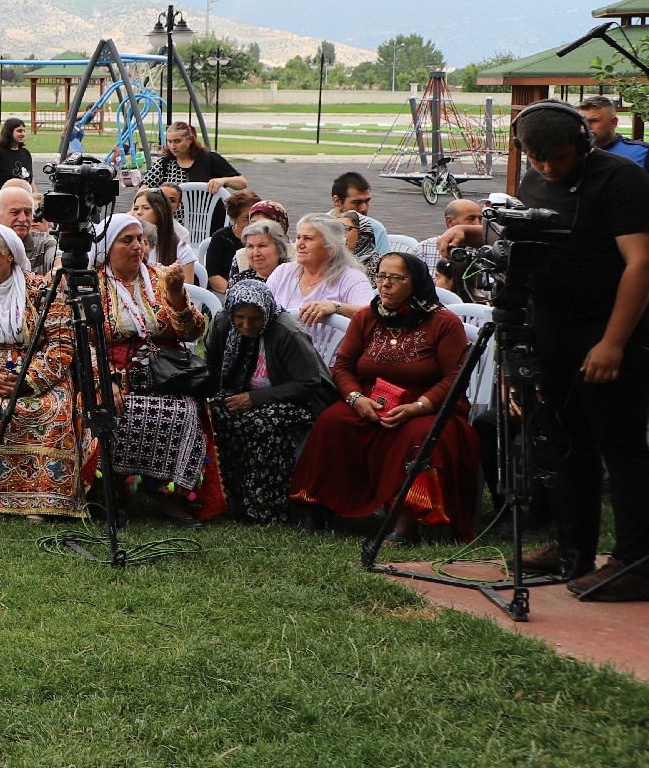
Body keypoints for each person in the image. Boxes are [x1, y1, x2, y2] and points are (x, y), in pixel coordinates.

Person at [510, 101, 649, 594]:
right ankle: (574, 549)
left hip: (607, 327)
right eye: (538, 159)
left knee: (622, 445)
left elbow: (640, 264)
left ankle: (636, 563)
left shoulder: (621, 179)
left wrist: (613, 342)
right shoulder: (532, 180)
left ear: (583, 145)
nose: (549, 168)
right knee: (567, 443)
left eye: (561, 158)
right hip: (550, 325)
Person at [290, 252, 478, 544]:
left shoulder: (443, 322)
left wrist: (418, 407)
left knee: (420, 436)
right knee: (332, 421)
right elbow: (343, 366)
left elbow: (454, 379)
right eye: (381, 276)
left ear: (415, 282)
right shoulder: (367, 317)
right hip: (368, 401)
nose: (385, 285)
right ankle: (314, 510)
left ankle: (406, 525)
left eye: (396, 278)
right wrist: (354, 399)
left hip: (428, 406)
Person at [0, 222, 83, 519]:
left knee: (52, 406)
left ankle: (44, 500)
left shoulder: (40, 289)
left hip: (35, 371)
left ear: (9, 255)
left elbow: (60, 341)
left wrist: (28, 379)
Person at [95, 212, 217, 522]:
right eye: (128, 240)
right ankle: (107, 491)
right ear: (108, 248)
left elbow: (192, 333)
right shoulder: (92, 285)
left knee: (187, 411)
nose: (138, 246)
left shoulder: (161, 278)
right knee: (109, 408)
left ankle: (172, 494)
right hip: (114, 372)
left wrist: (177, 296)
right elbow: (80, 341)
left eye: (141, 240)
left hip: (164, 374)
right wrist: (103, 380)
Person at [200, 276, 334, 524]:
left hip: (300, 399)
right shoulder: (222, 322)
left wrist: (256, 399)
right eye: (240, 318)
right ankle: (227, 498)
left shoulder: (286, 331)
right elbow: (211, 362)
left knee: (260, 424)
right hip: (243, 392)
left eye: (254, 318)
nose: (247, 325)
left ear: (267, 314)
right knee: (214, 414)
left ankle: (265, 506)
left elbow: (308, 382)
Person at [266, 215, 374, 365]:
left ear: (330, 247)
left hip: (327, 367)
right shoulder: (284, 272)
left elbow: (371, 315)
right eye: (298, 237)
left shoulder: (351, 278)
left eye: (308, 239)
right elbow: (262, 306)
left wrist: (335, 307)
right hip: (279, 360)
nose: (299, 244)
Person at [417, 198, 490, 301]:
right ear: (450, 222)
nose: (478, 224)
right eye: (471, 218)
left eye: (480, 219)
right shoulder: (424, 248)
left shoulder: (486, 251)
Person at [141, 120, 245, 191]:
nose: (173, 146)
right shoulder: (164, 163)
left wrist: (223, 180)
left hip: (207, 217)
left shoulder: (209, 159)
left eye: (177, 141)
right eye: (169, 141)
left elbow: (242, 183)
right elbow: (145, 187)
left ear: (190, 139)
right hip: (175, 219)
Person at [200, 189, 264, 296]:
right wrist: (237, 294)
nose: (252, 222)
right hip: (225, 291)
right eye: (246, 218)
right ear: (234, 218)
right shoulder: (221, 237)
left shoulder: (265, 237)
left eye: (254, 216)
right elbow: (213, 275)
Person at [329, 171, 389, 279]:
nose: (364, 208)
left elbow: (386, 269)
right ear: (337, 201)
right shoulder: (317, 227)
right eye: (357, 202)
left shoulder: (376, 229)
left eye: (367, 201)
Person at [127, 187, 193, 282]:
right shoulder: (128, 246)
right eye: (135, 208)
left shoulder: (181, 248)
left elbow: (188, 291)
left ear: (161, 211)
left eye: (146, 208)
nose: (138, 212)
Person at [0, 182, 56, 272]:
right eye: (15, 212)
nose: (23, 219)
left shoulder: (43, 243)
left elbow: (58, 258)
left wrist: (57, 269)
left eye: (27, 212)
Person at [579, 94, 649, 169]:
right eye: (583, 122)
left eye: (594, 121)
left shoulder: (642, 152)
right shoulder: (574, 153)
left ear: (613, 123)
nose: (587, 127)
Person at [0, 119, 34, 190]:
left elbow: (31, 180)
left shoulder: (25, 153)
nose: (23, 134)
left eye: (24, 131)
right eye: (19, 131)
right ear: (9, 132)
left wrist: (35, 196)